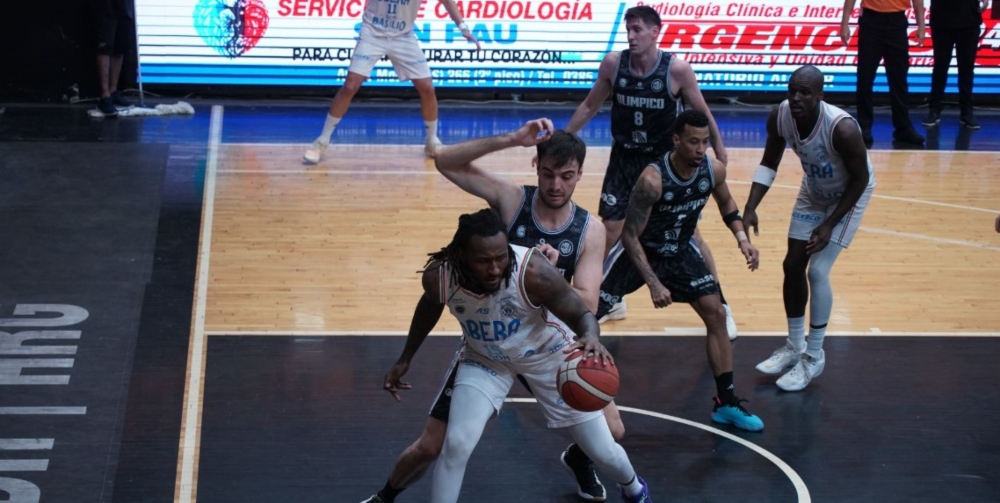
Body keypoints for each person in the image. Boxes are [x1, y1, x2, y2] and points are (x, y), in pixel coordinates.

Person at [360, 120, 619, 503]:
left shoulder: (590, 230)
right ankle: (385, 496)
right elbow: (444, 161)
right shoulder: (513, 199)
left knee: (613, 431)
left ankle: (579, 460)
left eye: (566, 177)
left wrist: (545, 277)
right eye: (548, 174)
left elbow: (588, 305)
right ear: (536, 165)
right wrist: (511, 138)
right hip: (495, 339)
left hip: (546, 340)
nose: (555, 185)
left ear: (580, 174)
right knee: (432, 445)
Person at [390, 208, 653, 503]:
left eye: (500, 257)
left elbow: (582, 314)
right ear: (462, 256)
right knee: (456, 444)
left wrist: (591, 336)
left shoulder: (534, 272)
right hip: (486, 358)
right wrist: (406, 357)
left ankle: (634, 489)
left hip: (548, 355)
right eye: (483, 260)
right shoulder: (440, 275)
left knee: (603, 452)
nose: (494, 268)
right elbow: (431, 304)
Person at [565, 5, 737, 335]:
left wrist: (719, 150)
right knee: (610, 231)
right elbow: (589, 105)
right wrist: (563, 140)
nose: (631, 36)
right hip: (624, 159)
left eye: (637, 30)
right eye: (628, 30)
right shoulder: (614, 64)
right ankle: (609, 299)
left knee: (690, 235)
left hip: (664, 165)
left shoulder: (677, 70)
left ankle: (722, 304)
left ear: (655, 32)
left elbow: (702, 112)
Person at [596, 109, 763, 432]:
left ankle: (726, 403)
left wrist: (743, 240)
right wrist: (654, 283)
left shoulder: (712, 170)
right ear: (676, 140)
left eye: (705, 142)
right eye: (693, 142)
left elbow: (727, 204)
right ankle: (560, 383)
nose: (701, 150)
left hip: (680, 250)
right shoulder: (652, 180)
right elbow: (629, 236)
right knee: (587, 315)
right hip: (639, 252)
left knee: (716, 312)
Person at [744, 65, 876, 392]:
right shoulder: (780, 116)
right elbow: (769, 162)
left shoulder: (842, 129)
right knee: (792, 265)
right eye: (793, 90)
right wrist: (750, 206)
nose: (797, 98)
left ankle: (814, 356)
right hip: (814, 191)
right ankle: (794, 346)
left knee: (817, 271)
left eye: (805, 92)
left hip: (850, 195)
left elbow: (860, 178)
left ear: (820, 96)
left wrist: (830, 224)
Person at [302, 0, 481, 164]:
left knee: (427, 88)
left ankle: (432, 141)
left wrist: (462, 27)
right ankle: (322, 141)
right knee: (350, 86)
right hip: (373, 33)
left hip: (403, 37)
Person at [840, 0, 926, 146]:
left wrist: (921, 26)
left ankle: (903, 128)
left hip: (897, 22)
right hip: (871, 22)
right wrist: (844, 23)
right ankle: (864, 127)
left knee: (899, 79)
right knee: (865, 78)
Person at [923, 0, 988, 129]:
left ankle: (966, 111)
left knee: (966, 69)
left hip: (969, 20)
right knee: (940, 67)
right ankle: (934, 109)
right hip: (942, 20)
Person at [90, 0, 135, 116]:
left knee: (120, 47)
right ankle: (105, 95)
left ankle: (113, 91)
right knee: (105, 46)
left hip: (125, 5)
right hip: (105, 5)